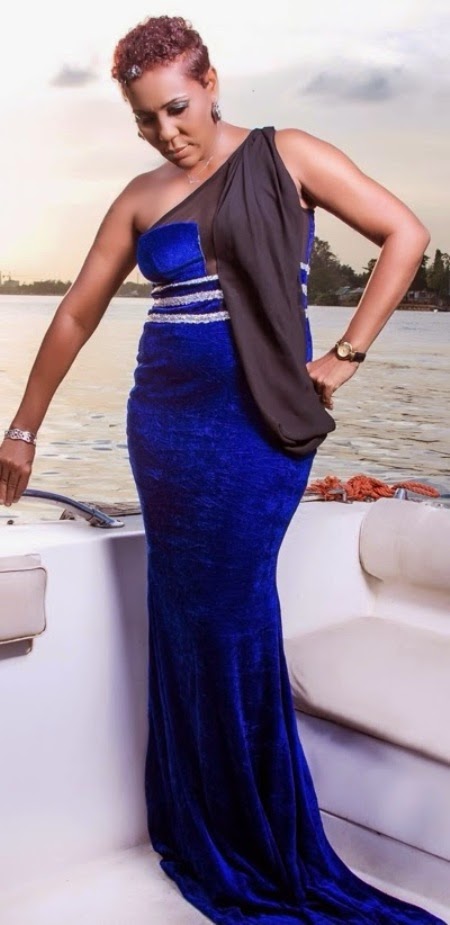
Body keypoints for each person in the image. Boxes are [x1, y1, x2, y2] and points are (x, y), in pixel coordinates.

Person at [0, 14, 442, 925]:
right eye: (146, 119)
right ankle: (200, 824)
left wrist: (346, 356)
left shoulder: (289, 155)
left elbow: (404, 233)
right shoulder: (139, 196)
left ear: (210, 83)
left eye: (177, 108)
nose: (167, 131)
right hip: (164, 429)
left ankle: (259, 837)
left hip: (257, 430)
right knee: (184, 621)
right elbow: (77, 312)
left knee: (233, 616)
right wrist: (24, 428)